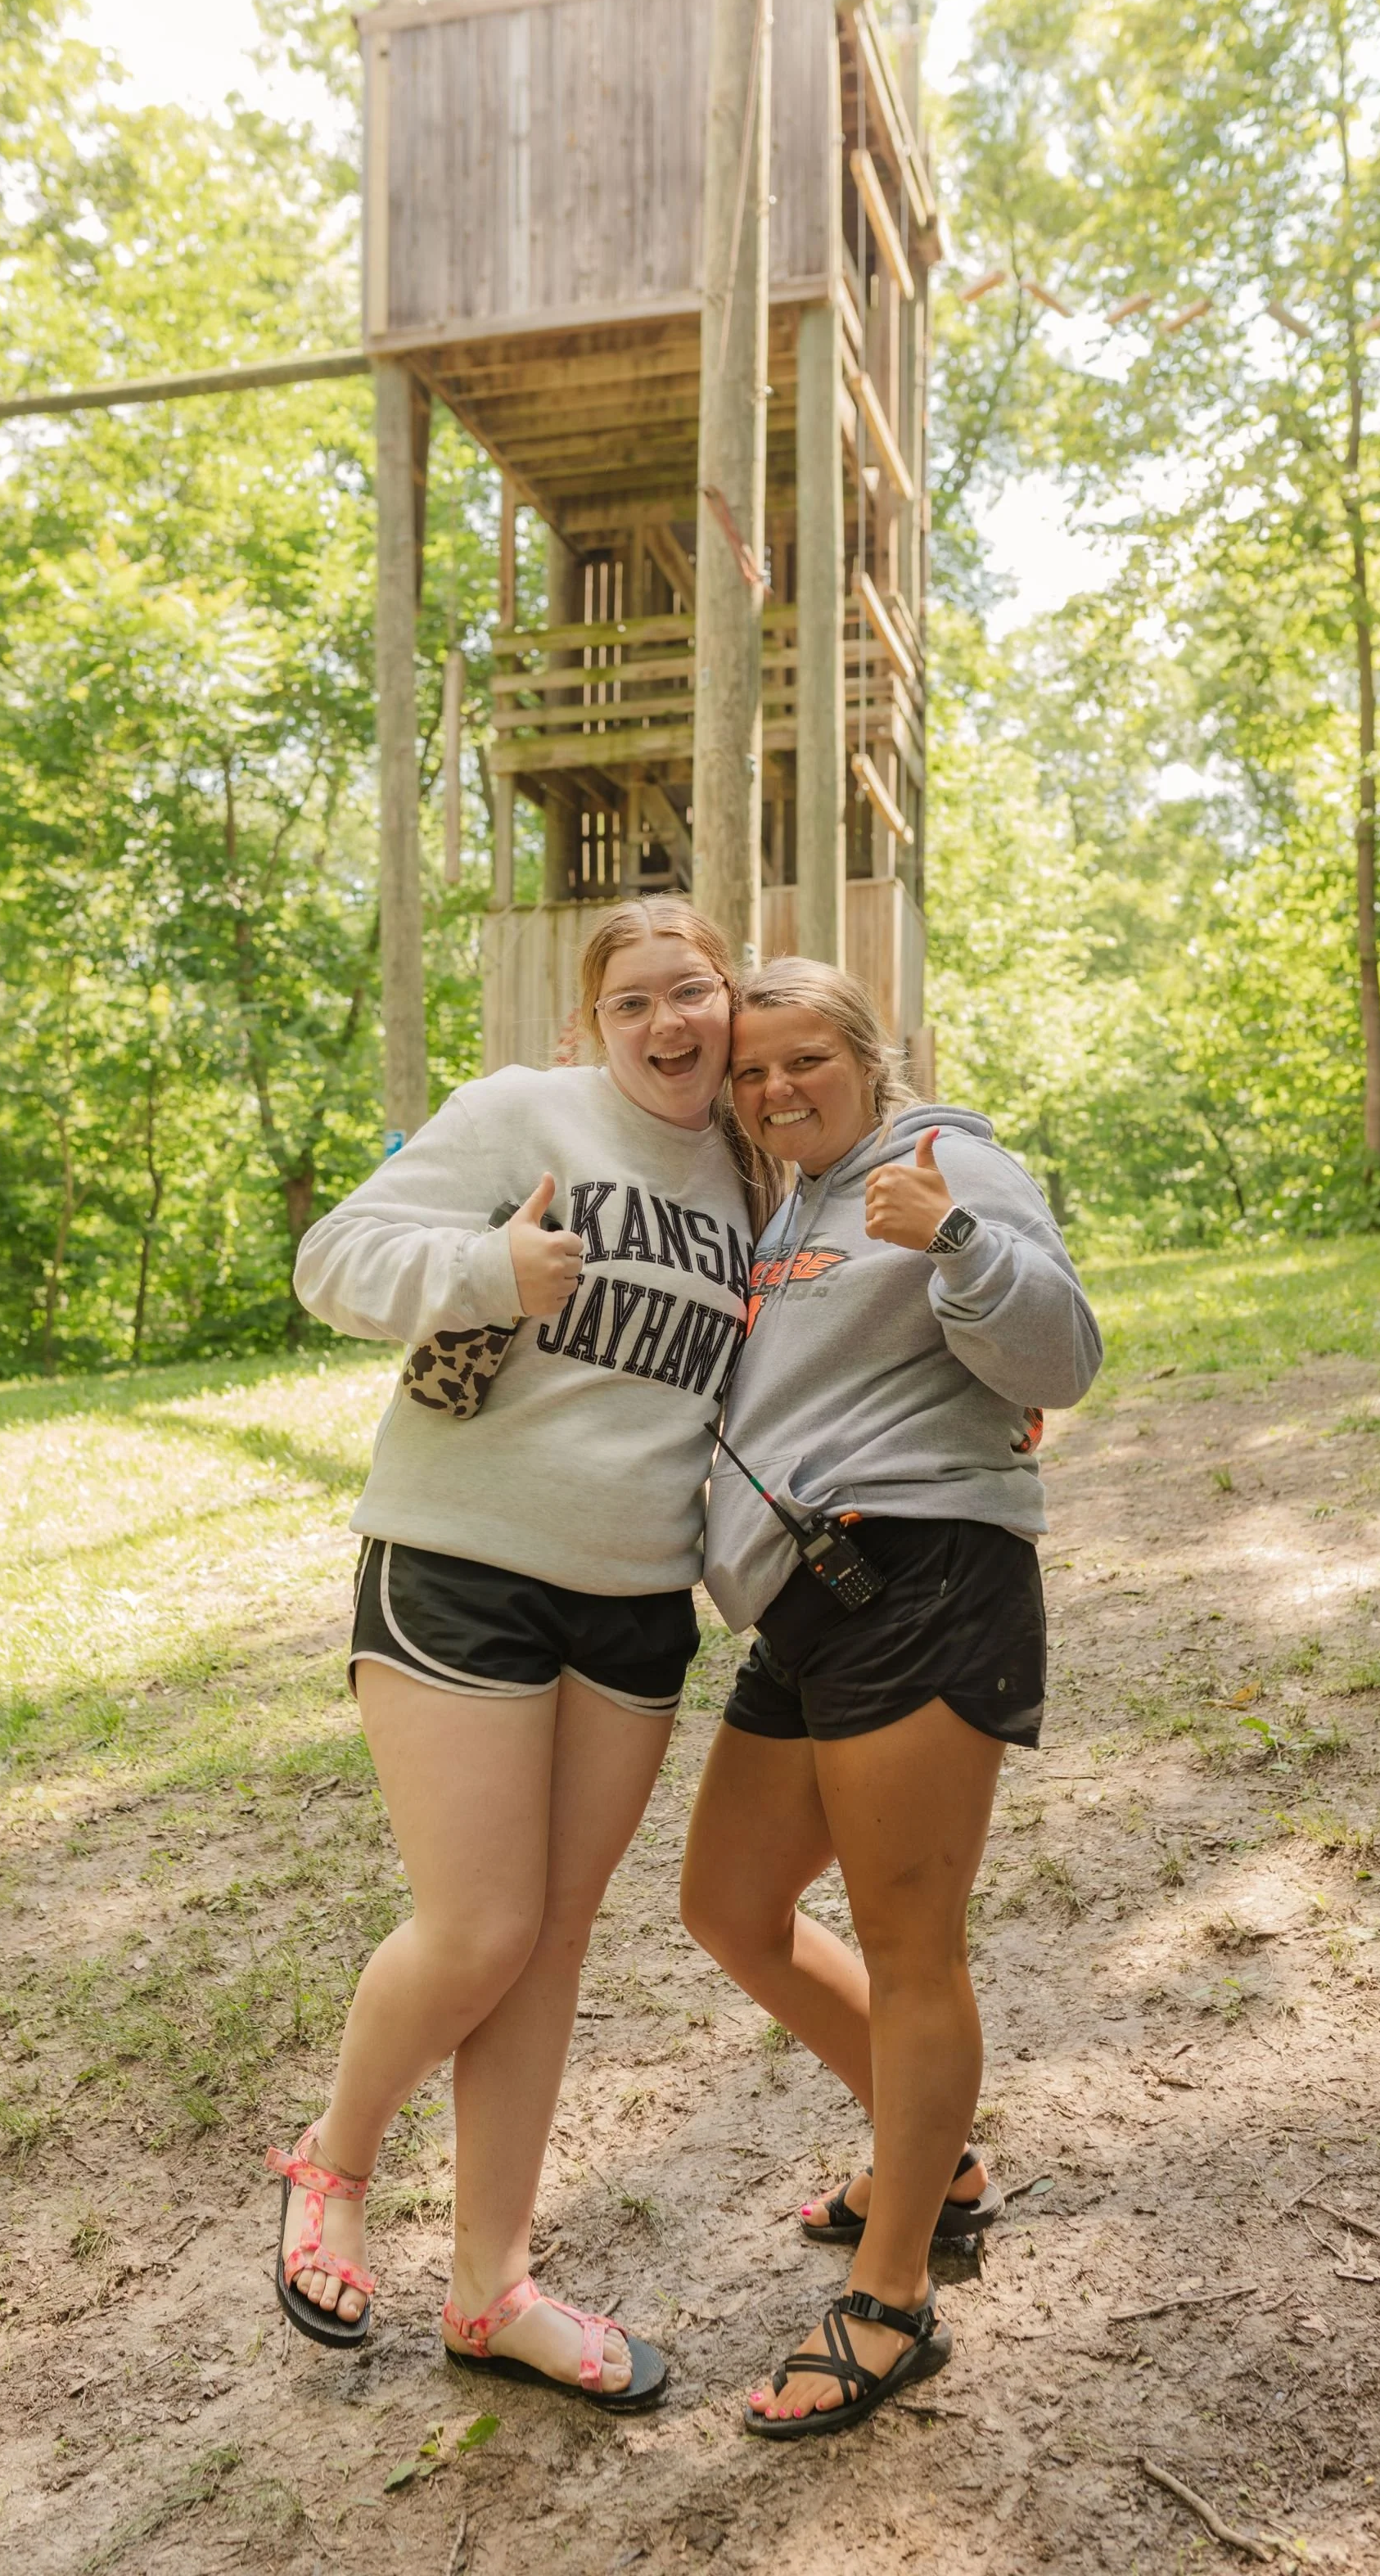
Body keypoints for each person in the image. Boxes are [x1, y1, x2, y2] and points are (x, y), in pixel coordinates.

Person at [279, 898, 755, 2411]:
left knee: (550, 1944)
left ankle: (491, 2289)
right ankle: (331, 2169)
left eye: (695, 991)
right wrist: (493, 1271)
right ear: (592, 1027)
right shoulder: (521, 1113)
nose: (670, 1024)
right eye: (636, 1004)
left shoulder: (761, 1169)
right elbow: (334, 1258)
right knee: (479, 1929)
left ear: (733, 1002)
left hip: (635, 1598)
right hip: (463, 1561)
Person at [680, 959, 1102, 2437]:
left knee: (911, 1950)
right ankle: (938, 2155)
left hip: (921, 1573)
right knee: (731, 1904)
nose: (777, 1088)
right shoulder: (782, 1208)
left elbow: (1064, 1357)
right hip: (807, 1598)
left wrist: (962, 1241)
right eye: (752, 1071)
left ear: (871, 1054)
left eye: (805, 1060)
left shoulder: (945, 1160)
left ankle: (895, 2290)